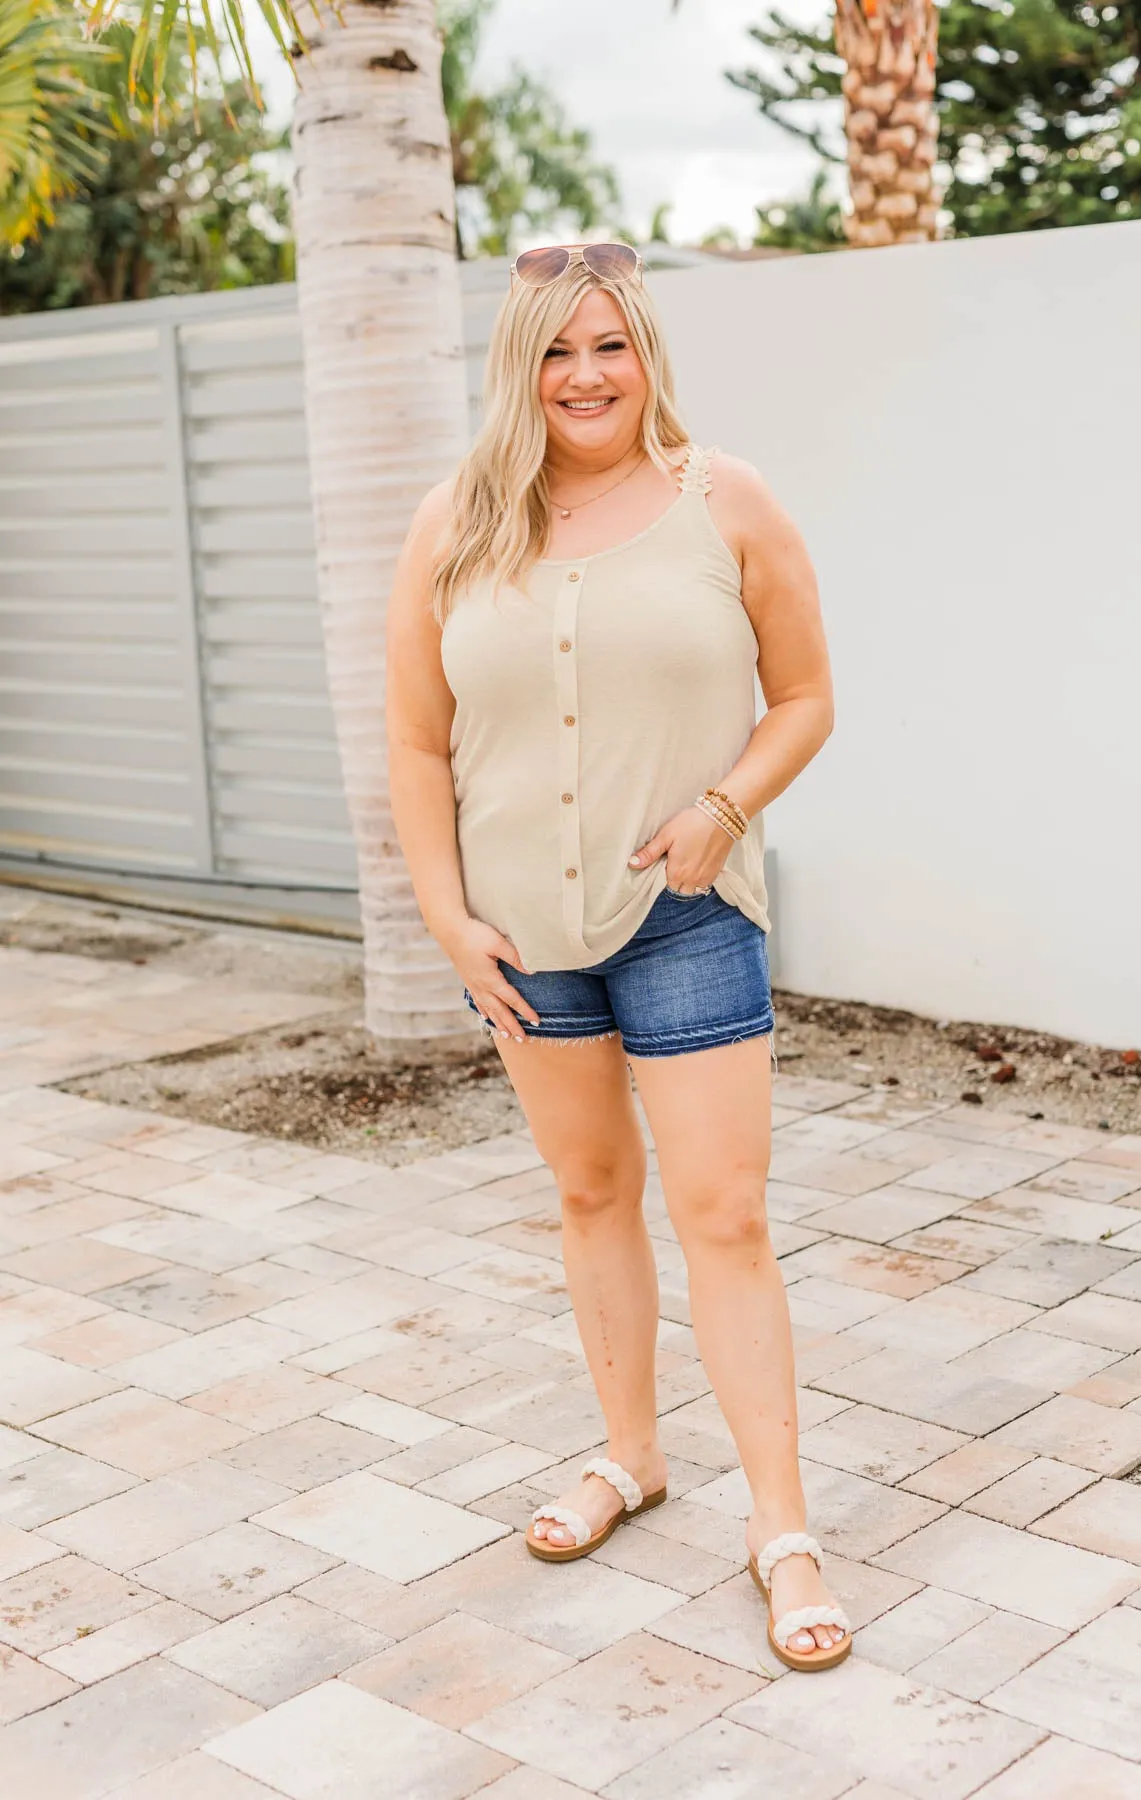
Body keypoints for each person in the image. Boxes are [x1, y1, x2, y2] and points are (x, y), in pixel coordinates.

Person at [386, 241, 848, 1672]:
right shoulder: (458, 522)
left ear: (647, 351)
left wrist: (722, 810)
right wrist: (447, 916)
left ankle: (783, 1529)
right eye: (555, 350)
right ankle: (631, 1457)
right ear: (517, 366)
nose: (585, 376)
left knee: (725, 1214)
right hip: (523, 936)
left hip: (685, 917)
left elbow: (808, 697)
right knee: (591, 1192)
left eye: (611, 346)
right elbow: (413, 738)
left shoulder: (727, 499)